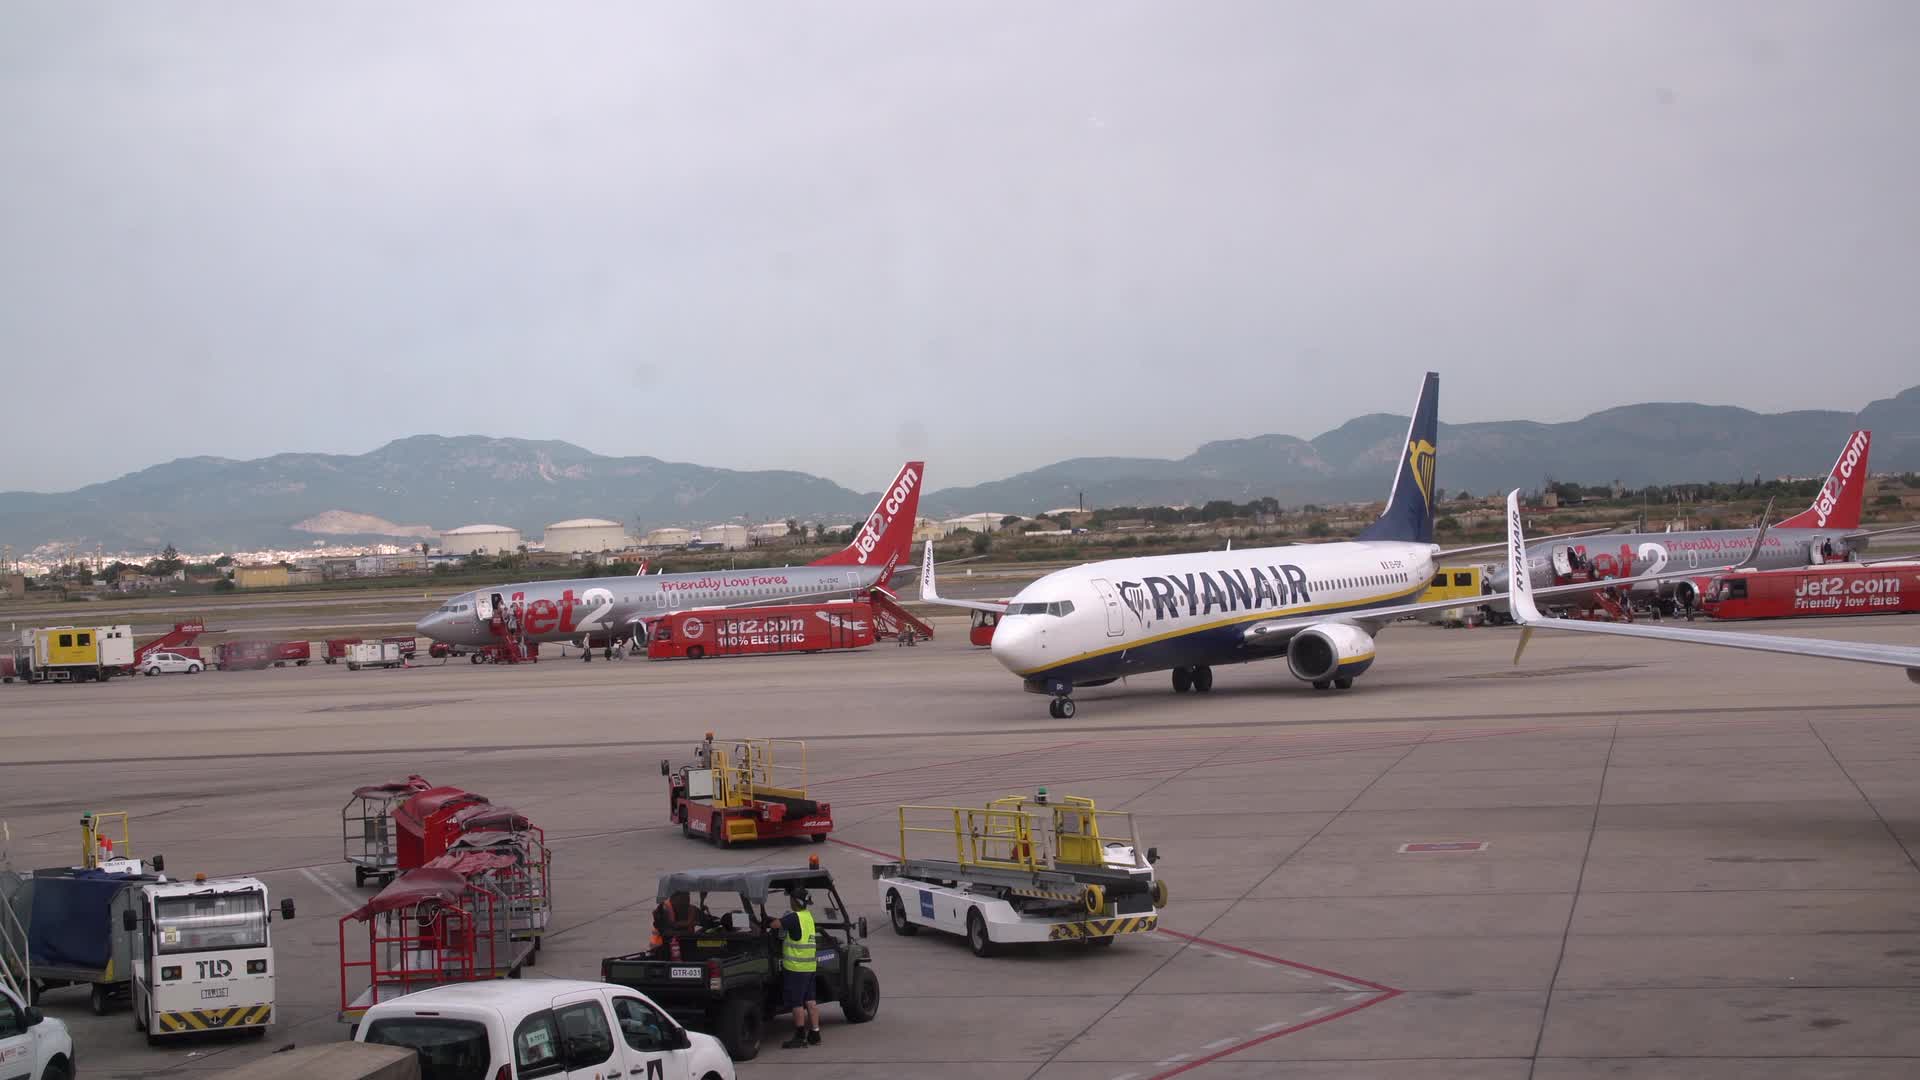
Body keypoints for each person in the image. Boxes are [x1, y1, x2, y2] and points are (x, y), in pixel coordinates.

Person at [778, 888, 821, 1048]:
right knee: (810, 1001)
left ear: (796, 901)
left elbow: (775, 925)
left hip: (796, 968)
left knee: (797, 1002)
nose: (790, 901)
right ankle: (815, 1033)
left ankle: (800, 1036)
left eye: (791, 899)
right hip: (809, 966)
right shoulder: (808, 917)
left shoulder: (793, 917)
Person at [650, 890, 706, 957]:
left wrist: (702, 905)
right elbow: (666, 931)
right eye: (683, 897)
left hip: (686, 948)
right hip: (661, 949)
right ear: (673, 898)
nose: (687, 899)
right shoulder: (664, 909)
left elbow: (705, 921)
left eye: (688, 896)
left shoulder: (691, 909)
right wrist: (688, 927)